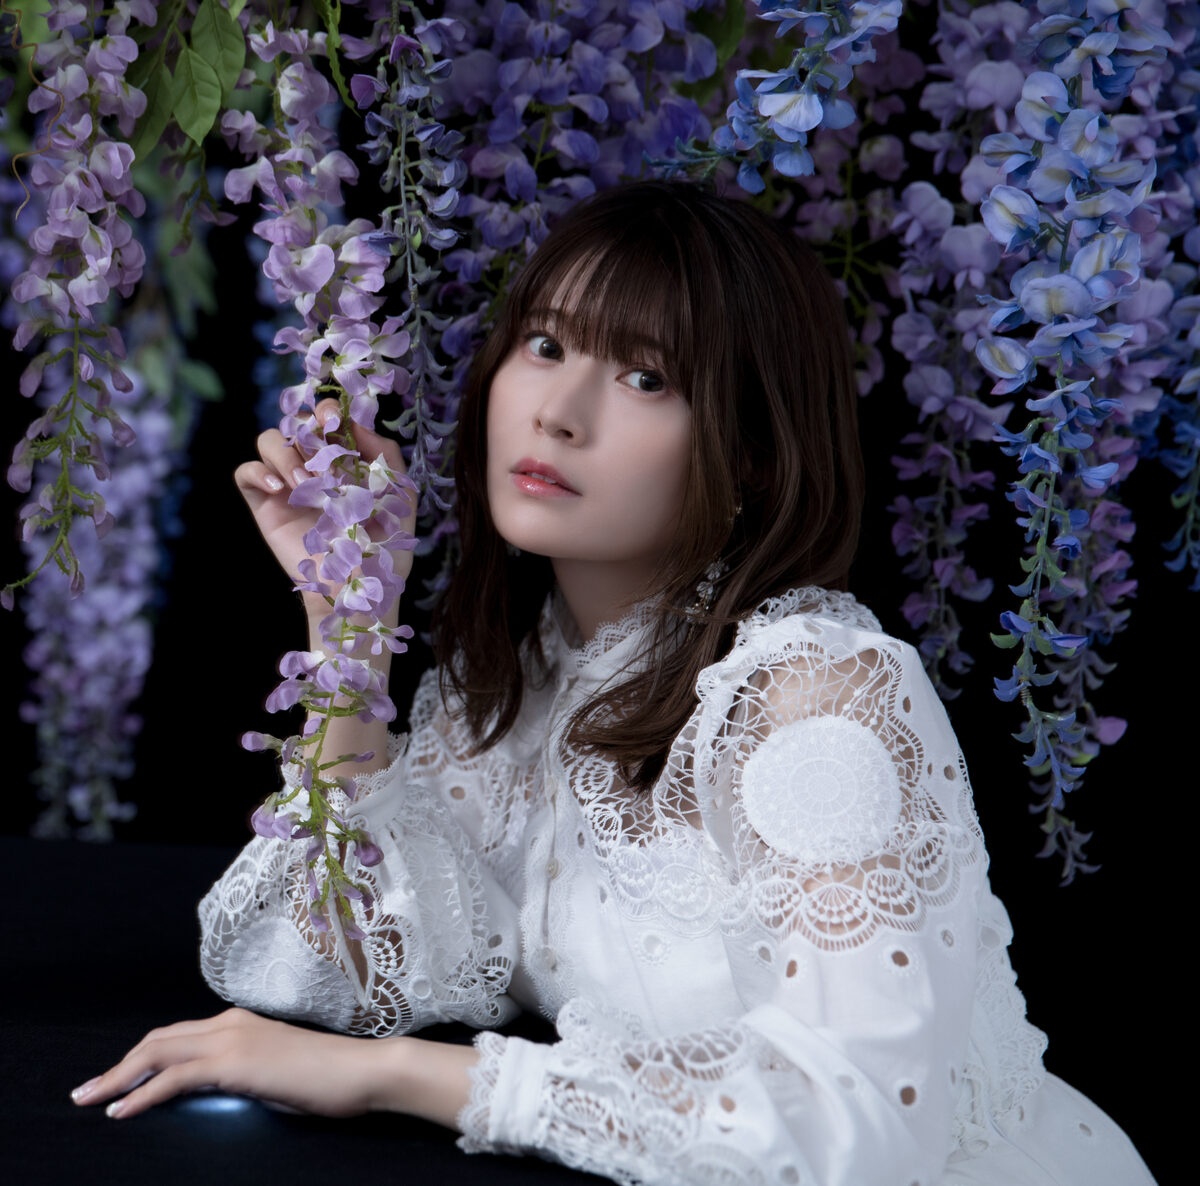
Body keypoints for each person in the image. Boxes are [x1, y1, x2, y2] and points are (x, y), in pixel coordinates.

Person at [71, 181, 1155, 1185]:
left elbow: (861, 1118)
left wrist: (398, 1076)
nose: (560, 411)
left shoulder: (815, 694)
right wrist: (349, 627)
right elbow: (322, 970)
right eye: (544, 345)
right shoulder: (517, 679)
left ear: (754, 454)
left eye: (646, 378)